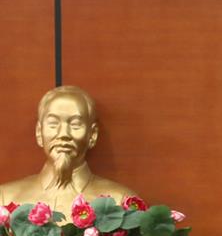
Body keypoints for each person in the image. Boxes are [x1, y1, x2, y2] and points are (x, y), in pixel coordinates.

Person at [0, 85, 138, 215]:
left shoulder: (121, 202)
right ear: (39, 132)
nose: (63, 134)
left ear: (92, 135)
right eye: (53, 124)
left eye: (75, 124)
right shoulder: (4, 200)